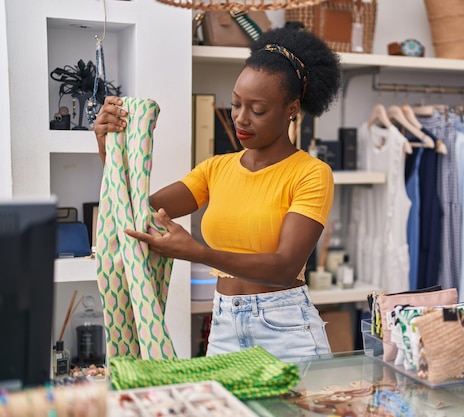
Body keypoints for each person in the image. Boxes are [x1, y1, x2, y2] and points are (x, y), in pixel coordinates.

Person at [93, 27, 342, 360]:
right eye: (236, 103)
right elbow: (137, 208)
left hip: (285, 329)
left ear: (292, 108)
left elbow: (285, 267)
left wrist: (197, 252)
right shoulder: (215, 169)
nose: (241, 118)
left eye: (258, 110)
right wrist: (108, 146)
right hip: (224, 324)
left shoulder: (311, 173)